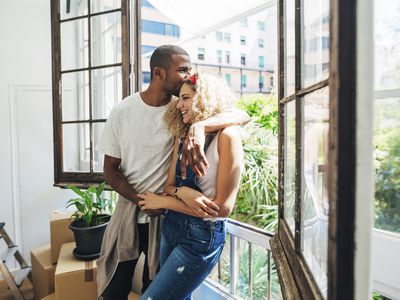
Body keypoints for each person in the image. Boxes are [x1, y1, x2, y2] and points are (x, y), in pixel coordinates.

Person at [95, 45, 248, 300]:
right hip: (133, 212)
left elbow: (241, 114)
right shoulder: (125, 111)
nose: (189, 73)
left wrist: (200, 126)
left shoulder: (184, 110)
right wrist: (142, 201)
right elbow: (110, 170)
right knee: (114, 287)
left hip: (167, 218)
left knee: (153, 287)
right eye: (183, 69)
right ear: (159, 73)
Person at [138, 72, 244, 300]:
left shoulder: (228, 136)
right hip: (172, 227)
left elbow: (222, 209)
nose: (179, 106)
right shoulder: (183, 136)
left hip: (201, 238)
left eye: (185, 98)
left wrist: (165, 202)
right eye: (179, 99)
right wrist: (180, 192)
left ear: (204, 98)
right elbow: (169, 185)